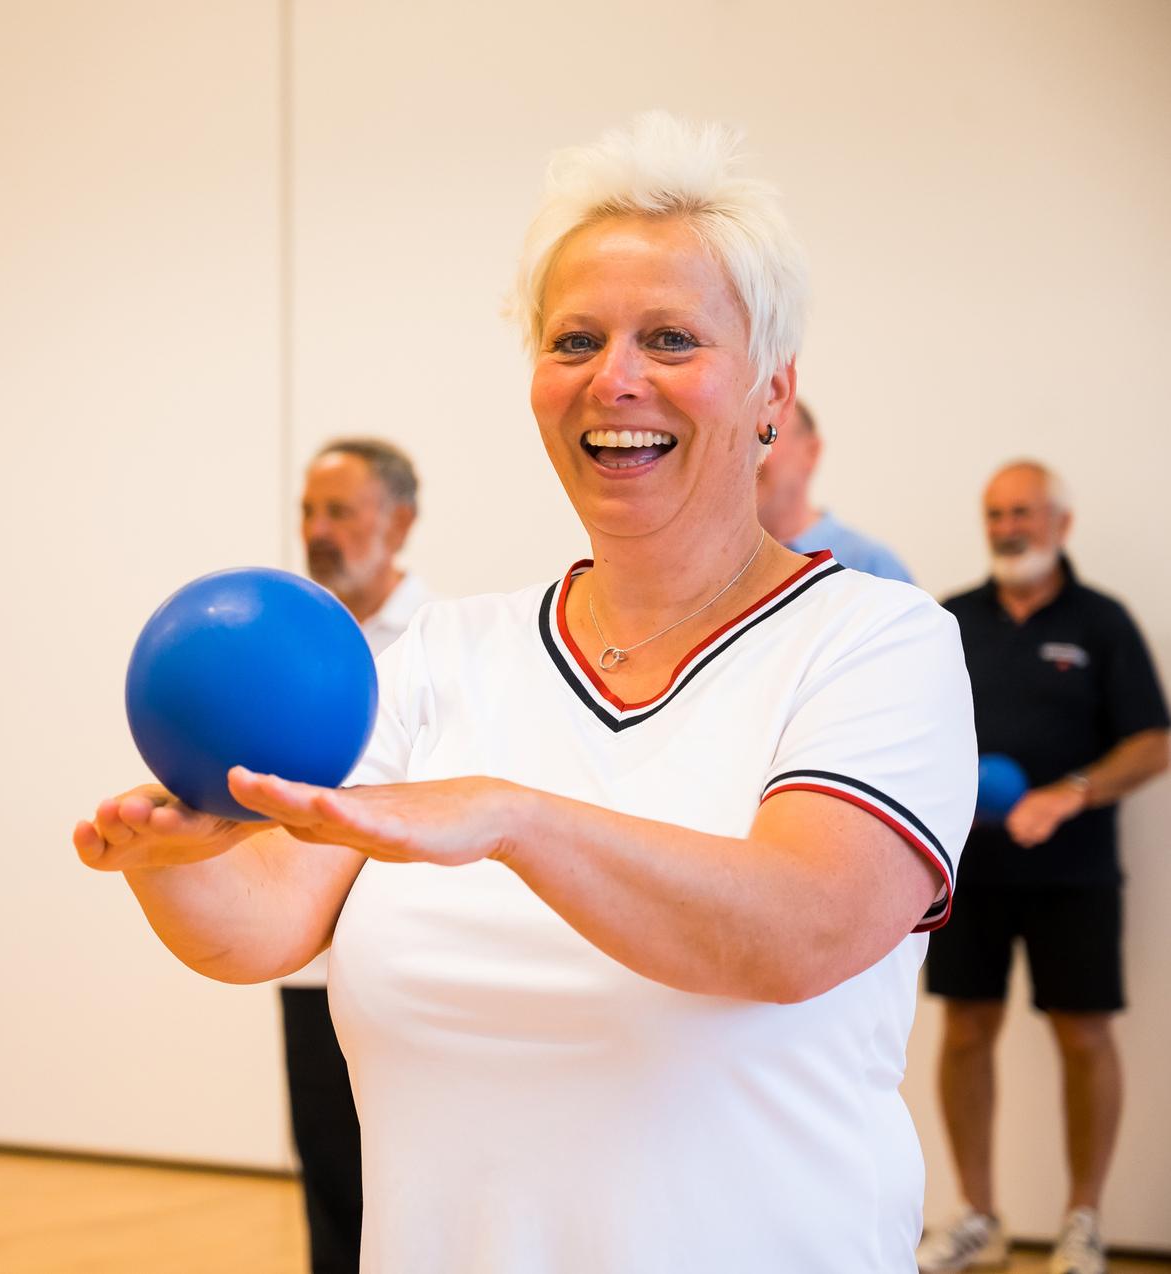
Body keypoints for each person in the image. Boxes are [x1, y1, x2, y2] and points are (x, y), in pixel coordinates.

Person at [75, 112, 977, 1271]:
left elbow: (798, 928)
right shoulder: (444, 654)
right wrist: (172, 862)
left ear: (771, 394)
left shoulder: (880, 642)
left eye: (670, 337)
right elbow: (260, 928)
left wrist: (513, 818)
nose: (616, 378)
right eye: (574, 340)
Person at [916, 461, 1168, 1274]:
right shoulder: (949, 620)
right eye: (993, 513)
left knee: (1084, 1036)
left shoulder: (1100, 623)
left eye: (1021, 511)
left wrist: (1069, 794)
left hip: (1074, 876)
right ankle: (978, 1217)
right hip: (966, 876)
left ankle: (1082, 1223)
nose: (1006, 527)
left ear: (1060, 522)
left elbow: (1152, 740)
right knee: (962, 1033)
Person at [284, 437, 433, 1274]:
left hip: (407, 958)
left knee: (406, 1187)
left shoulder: (442, 642)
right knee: (330, 1181)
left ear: (399, 521)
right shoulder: (290, 634)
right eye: (308, 510)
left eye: (340, 511)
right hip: (307, 958)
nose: (318, 529)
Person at [756, 399, 914, 583]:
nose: (745, 455)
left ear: (811, 452)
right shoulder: (725, 568)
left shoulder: (873, 567)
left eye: (764, 436)